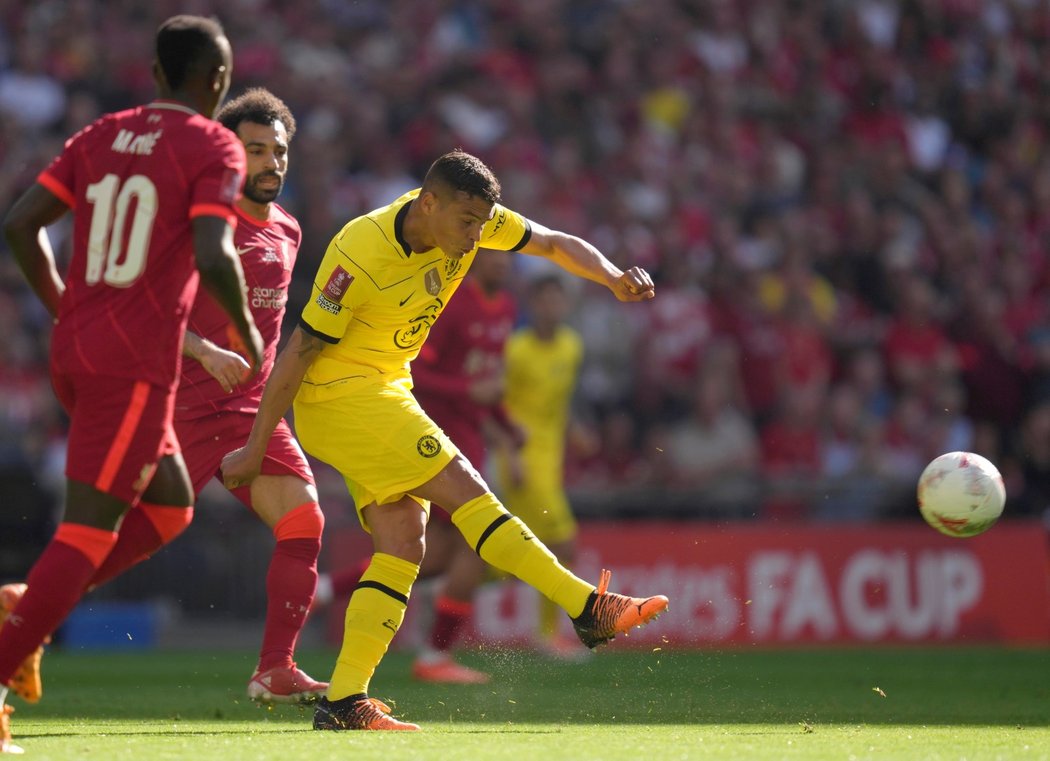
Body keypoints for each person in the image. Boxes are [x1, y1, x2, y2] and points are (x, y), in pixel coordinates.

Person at [221, 149, 669, 732]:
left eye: (484, 223)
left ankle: (345, 701)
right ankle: (588, 607)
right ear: (427, 203)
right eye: (467, 223)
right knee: (467, 489)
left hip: (386, 388)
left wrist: (611, 277)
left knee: (405, 541)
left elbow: (555, 243)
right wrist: (258, 446)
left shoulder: (472, 220)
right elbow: (300, 352)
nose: (478, 235)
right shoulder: (360, 251)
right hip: (340, 397)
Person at [0, 15, 263, 754]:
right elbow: (214, 250)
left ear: (155, 74)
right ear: (216, 82)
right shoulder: (213, 143)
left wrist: (66, 308)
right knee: (87, 530)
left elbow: (22, 225)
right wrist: (244, 332)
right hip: (130, 367)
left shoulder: (101, 133)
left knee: (172, 505)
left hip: (77, 350)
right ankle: (13, 646)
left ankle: (28, 606)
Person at [77, 87, 326, 703]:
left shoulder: (289, 229)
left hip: (246, 409)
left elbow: (270, 333)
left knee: (304, 520)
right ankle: (25, 609)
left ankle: (275, 669)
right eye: (257, 150)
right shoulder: (197, 222)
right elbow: (143, 308)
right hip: (179, 402)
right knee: (119, 537)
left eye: (280, 151)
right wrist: (207, 351)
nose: (272, 162)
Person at [495, 273, 587, 657]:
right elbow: (496, 406)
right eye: (544, 300)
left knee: (509, 556)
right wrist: (510, 454)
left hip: (552, 460)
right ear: (533, 305)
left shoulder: (571, 347)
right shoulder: (516, 350)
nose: (551, 307)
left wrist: (577, 431)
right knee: (561, 540)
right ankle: (546, 634)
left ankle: (441, 586)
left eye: (557, 300)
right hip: (522, 461)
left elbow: (559, 403)